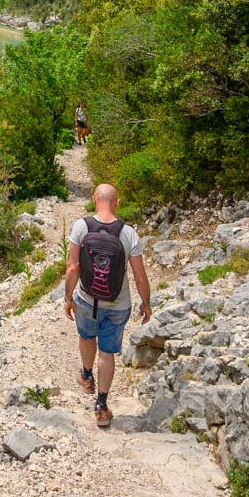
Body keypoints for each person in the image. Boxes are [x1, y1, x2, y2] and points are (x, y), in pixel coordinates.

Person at [62, 182, 149, 428]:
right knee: (107, 352)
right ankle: (101, 405)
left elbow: (72, 267)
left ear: (93, 199)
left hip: (87, 299)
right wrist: (146, 303)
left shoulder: (81, 226)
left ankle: (87, 374)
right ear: (117, 202)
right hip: (118, 304)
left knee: (87, 336)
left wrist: (68, 298)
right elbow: (140, 276)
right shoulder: (129, 233)